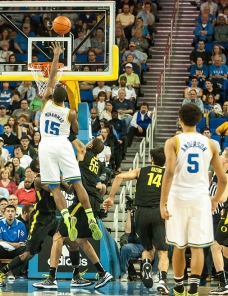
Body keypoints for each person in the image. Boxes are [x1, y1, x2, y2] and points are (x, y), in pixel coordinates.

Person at [159, 103, 227, 296]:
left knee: (179, 246)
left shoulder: (173, 142)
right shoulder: (211, 143)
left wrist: (162, 203)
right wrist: (214, 199)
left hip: (178, 197)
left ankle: (179, 287)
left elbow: (170, 172)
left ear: (180, 120)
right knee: (198, 246)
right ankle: (194, 289)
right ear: (199, 120)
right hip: (200, 198)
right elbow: (222, 178)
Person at [39, 41, 101, 241]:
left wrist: (56, 55)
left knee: (55, 187)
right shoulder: (71, 112)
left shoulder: (45, 102)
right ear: (65, 99)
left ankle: (66, 218)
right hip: (63, 144)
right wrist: (72, 120)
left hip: (46, 144)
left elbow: (52, 77)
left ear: (51, 96)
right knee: (77, 183)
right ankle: (91, 217)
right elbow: (75, 130)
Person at [33, 137, 113, 289]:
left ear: (90, 145)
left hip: (83, 201)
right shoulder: (98, 163)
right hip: (94, 200)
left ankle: (51, 279)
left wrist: (64, 132)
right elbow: (96, 185)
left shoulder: (84, 152)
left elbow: (75, 142)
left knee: (58, 237)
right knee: (81, 239)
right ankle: (102, 273)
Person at [106, 147, 169, 293]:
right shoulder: (168, 174)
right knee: (162, 251)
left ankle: (146, 263)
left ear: (152, 160)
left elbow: (118, 177)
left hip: (140, 212)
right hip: (158, 212)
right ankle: (162, 280)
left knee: (147, 248)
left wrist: (110, 197)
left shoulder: (141, 171)